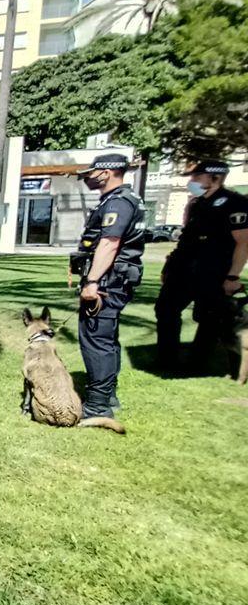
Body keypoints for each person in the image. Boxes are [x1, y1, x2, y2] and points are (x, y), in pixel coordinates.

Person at [70, 154, 146, 426]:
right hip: (116, 279)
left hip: (107, 282)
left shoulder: (118, 202)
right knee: (107, 339)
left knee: (96, 341)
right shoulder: (126, 199)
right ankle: (108, 395)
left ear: (107, 172)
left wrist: (92, 282)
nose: (88, 178)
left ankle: (98, 406)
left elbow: (110, 243)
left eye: (92, 173)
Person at [155, 159, 248, 373]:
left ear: (215, 177)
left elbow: (243, 243)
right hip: (183, 269)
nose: (192, 180)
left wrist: (232, 277)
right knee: (166, 309)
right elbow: (187, 239)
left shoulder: (235, 203)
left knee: (208, 318)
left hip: (213, 271)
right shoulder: (197, 204)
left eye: (197, 176)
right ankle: (167, 359)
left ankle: (197, 362)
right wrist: (169, 266)